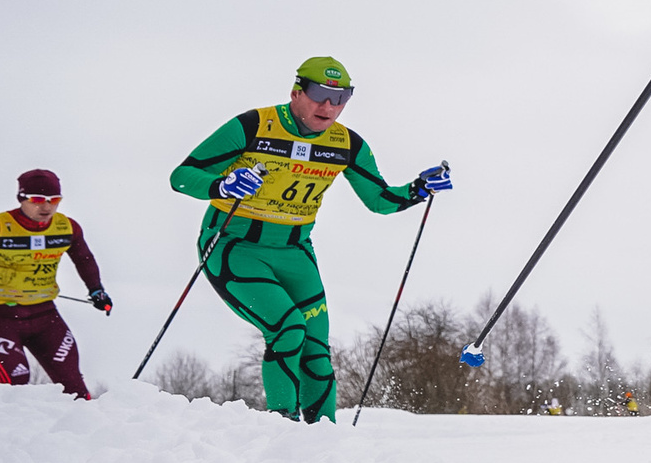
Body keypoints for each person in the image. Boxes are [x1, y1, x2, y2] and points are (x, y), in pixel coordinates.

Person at [168, 56, 450, 422]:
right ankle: (281, 425)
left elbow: (379, 200)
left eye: (341, 97)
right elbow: (182, 176)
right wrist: (221, 185)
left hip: (295, 252)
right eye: (319, 94)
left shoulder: (346, 144)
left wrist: (418, 189)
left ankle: (325, 440)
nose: (329, 106)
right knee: (288, 329)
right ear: (296, 93)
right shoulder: (254, 126)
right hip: (235, 246)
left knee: (316, 351)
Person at [0, 169, 112, 397]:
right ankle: (14, 431)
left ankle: (86, 429)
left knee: (72, 383)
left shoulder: (66, 227)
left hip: (45, 316)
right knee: (16, 383)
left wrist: (97, 290)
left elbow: (84, 259)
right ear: (21, 198)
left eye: (54, 201)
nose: (46, 208)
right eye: (37, 200)